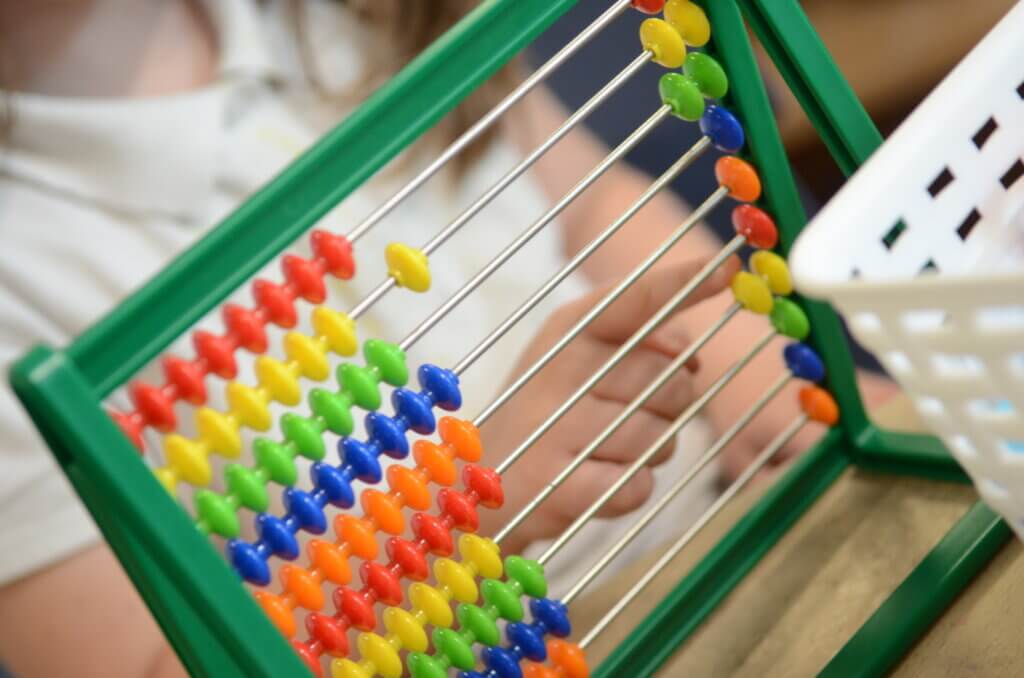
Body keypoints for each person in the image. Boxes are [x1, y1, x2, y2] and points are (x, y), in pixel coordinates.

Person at [0, 1, 888, 676]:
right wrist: (468, 495)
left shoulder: (360, 16)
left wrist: (819, 407)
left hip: (755, 514)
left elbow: (598, 210)